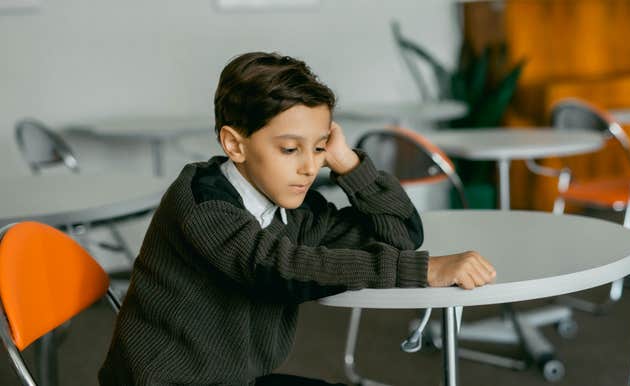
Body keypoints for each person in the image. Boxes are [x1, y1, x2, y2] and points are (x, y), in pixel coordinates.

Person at [99, 52, 496, 386]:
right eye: (290, 149)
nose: (309, 167)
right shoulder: (203, 202)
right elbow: (278, 268)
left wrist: (348, 163)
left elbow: (400, 233)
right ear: (234, 144)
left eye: (319, 147)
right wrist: (421, 271)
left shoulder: (294, 208)